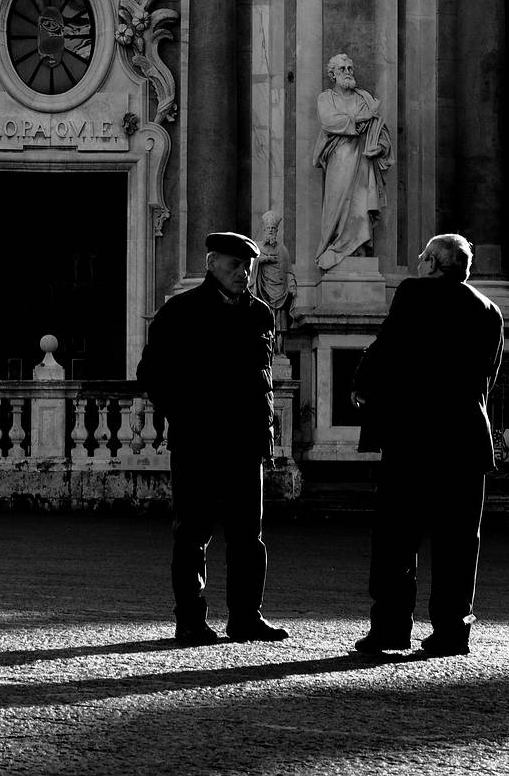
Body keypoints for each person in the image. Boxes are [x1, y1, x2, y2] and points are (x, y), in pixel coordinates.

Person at [350, 233, 504, 656]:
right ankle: (453, 633)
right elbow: (488, 376)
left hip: (415, 438)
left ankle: (390, 630)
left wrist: (362, 384)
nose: (419, 264)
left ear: (435, 264)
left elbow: (389, 345)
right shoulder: (489, 310)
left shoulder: (414, 293)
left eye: (422, 257)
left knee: (397, 538)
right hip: (467, 441)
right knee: (458, 543)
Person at [137, 231, 289, 646]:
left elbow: (265, 382)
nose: (244, 273)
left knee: (248, 536)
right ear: (212, 263)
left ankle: (246, 618)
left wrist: (266, 435)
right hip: (198, 441)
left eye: (249, 266)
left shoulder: (260, 313)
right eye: (235, 265)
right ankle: (190, 620)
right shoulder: (181, 311)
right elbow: (151, 374)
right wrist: (185, 417)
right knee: (192, 535)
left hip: (245, 443)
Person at [313, 53, 393, 272]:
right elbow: (329, 121)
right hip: (338, 159)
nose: (348, 73)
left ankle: (357, 247)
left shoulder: (363, 98)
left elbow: (380, 129)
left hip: (363, 161)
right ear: (333, 75)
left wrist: (381, 147)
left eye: (350, 68)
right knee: (336, 205)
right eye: (342, 70)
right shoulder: (326, 98)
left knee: (359, 205)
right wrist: (360, 119)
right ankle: (335, 245)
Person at [251, 210, 298, 355]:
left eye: (273, 229)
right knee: (263, 325)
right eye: (268, 229)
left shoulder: (282, 250)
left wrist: (292, 285)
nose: (271, 231)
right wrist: (264, 260)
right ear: (264, 230)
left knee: (280, 328)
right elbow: (251, 265)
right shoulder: (257, 248)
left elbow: (289, 271)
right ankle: (265, 353)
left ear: (277, 231)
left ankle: (279, 352)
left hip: (281, 294)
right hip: (262, 292)